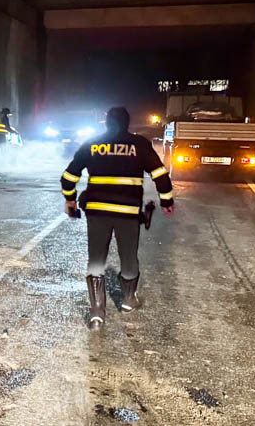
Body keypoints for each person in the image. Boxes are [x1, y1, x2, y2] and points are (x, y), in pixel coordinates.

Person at [60, 106, 175, 330]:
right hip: (128, 212)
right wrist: (167, 201)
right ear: (127, 123)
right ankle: (128, 301)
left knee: (96, 259)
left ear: (106, 123)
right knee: (129, 257)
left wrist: (70, 200)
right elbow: (160, 174)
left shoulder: (93, 143)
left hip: (97, 212)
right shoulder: (139, 144)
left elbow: (68, 176)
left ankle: (96, 314)